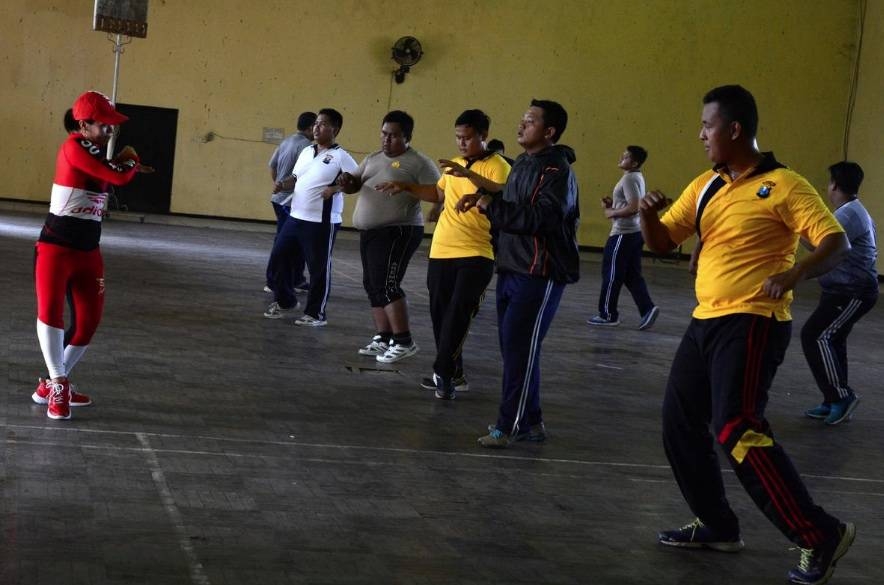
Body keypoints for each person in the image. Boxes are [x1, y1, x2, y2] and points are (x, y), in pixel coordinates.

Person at [639, 85, 854, 585]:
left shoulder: (785, 185)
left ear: (734, 129)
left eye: (707, 126)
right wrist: (648, 214)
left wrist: (796, 273)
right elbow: (663, 242)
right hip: (705, 320)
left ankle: (818, 533)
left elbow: (835, 242)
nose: (701, 135)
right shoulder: (707, 184)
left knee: (736, 426)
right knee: (678, 422)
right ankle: (717, 523)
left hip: (754, 320)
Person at [457, 99, 579, 446]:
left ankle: (507, 426)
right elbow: (511, 204)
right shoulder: (524, 163)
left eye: (529, 121)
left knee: (519, 349)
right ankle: (532, 421)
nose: (520, 125)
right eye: (522, 119)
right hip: (512, 266)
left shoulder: (557, 171)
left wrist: (492, 205)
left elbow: (542, 218)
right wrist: (482, 196)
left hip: (539, 271)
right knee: (517, 350)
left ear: (549, 131)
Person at [376, 109, 510, 390]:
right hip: (442, 250)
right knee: (440, 314)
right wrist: (404, 186)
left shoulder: (497, 165)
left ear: (483, 136)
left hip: (476, 253)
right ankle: (453, 374)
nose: (461, 143)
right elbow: (438, 194)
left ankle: (443, 372)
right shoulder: (456, 165)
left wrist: (468, 173)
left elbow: (499, 191)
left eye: (468, 138)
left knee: (459, 313)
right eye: (458, 137)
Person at [32, 91, 143, 419]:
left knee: (88, 322)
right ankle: (59, 385)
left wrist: (124, 163)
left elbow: (111, 170)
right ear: (84, 124)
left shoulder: (93, 151)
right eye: (104, 124)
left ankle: (50, 385)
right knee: (51, 313)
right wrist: (132, 159)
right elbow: (120, 175)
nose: (111, 130)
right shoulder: (74, 146)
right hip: (56, 248)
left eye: (113, 125)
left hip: (88, 250)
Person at [336, 110, 440, 363]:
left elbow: (439, 192)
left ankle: (404, 340)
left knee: (388, 284)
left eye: (393, 136)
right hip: (370, 232)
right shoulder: (373, 158)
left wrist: (436, 212)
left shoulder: (419, 163)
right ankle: (384, 337)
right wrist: (346, 181)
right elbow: (354, 185)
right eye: (384, 134)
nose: (387, 140)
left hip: (399, 230)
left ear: (407, 137)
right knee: (372, 284)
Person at [264, 108, 357, 326]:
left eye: (323, 124)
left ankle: (316, 314)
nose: (316, 127)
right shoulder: (306, 152)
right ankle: (286, 301)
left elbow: (356, 183)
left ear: (335, 129)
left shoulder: (341, 156)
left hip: (321, 222)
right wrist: (282, 184)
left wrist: (334, 189)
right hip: (295, 216)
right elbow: (295, 178)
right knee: (279, 258)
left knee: (318, 268)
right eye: (316, 123)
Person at [801, 161, 878, 425]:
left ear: (834, 184)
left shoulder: (849, 214)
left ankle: (841, 397)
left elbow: (818, 245)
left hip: (852, 291)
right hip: (841, 289)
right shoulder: (853, 211)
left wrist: (791, 225)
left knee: (815, 336)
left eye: (829, 183)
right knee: (832, 340)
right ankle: (833, 399)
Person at [588, 145, 659, 329]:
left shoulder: (629, 179)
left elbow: (634, 207)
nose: (622, 157)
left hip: (623, 234)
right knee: (631, 275)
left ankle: (608, 314)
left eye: (626, 156)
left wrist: (612, 212)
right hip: (634, 233)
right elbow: (630, 203)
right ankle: (647, 309)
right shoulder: (635, 177)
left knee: (611, 273)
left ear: (634, 162)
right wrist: (613, 204)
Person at [264, 112, 316, 294]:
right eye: (316, 127)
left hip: (280, 199)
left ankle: (296, 279)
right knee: (284, 242)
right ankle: (272, 281)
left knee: (297, 240)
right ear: (310, 128)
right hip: (289, 202)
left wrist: (278, 184)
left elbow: (273, 166)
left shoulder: (286, 141)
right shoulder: (307, 147)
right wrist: (286, 188)